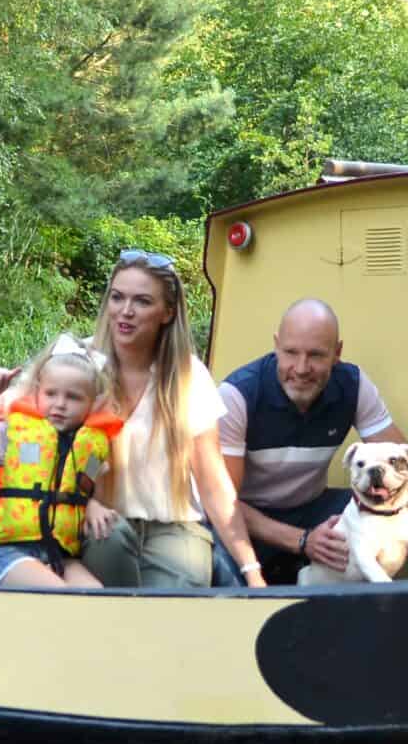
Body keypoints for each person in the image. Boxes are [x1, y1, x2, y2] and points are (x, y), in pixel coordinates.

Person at [215, 297, 408, 586]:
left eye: (316, 355)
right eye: (290, 352)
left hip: (314, 508)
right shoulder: (238, 394)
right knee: (216, 554)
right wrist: (302, 540)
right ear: (276, 345)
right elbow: (223, 503)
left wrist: (405, 494)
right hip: (249, 518)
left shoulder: (353, 385)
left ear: (337, 353)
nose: (301, 367)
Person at [77, 249, 269, 589]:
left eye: (142, 301)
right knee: (110, 537)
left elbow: (214, 485)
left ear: (167, 312)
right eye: (117, 297)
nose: (126, 311)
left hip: (175, 529)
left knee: (175, 599)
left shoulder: (188, 376)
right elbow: (22, 439)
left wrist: (251, 569)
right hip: (99, 520)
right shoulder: (77, 364)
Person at [0, 334, 121, 589]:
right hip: (7, 554)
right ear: (37, 392)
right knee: (60, 593)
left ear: (93, 403)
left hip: (60, 555)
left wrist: (95, 504)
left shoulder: (91, 448)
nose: (60, 404)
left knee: (95, 594)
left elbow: (95, 485)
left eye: (73, 397)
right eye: (51, 394)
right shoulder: (11, 435)